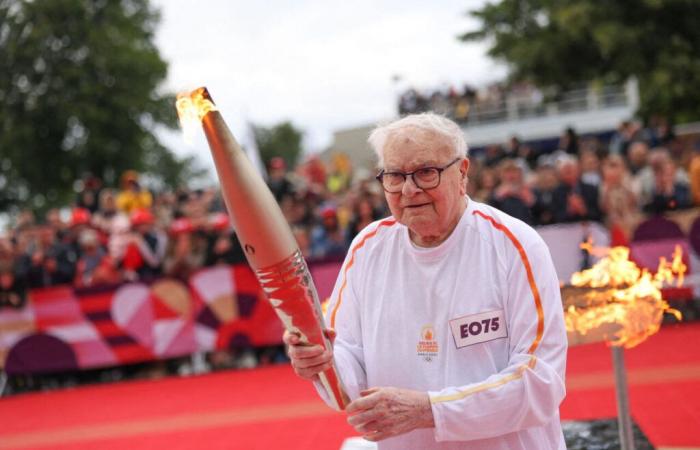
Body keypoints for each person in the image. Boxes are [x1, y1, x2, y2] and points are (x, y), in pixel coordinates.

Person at [284, 113, 567, 449]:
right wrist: (322, 362)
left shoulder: (514, 245)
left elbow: (540, 381)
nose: (409, 189)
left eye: (425, 173)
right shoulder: (367, 249)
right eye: (394, 175)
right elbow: (348, 362)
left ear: (462, 172)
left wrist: (430, 411)